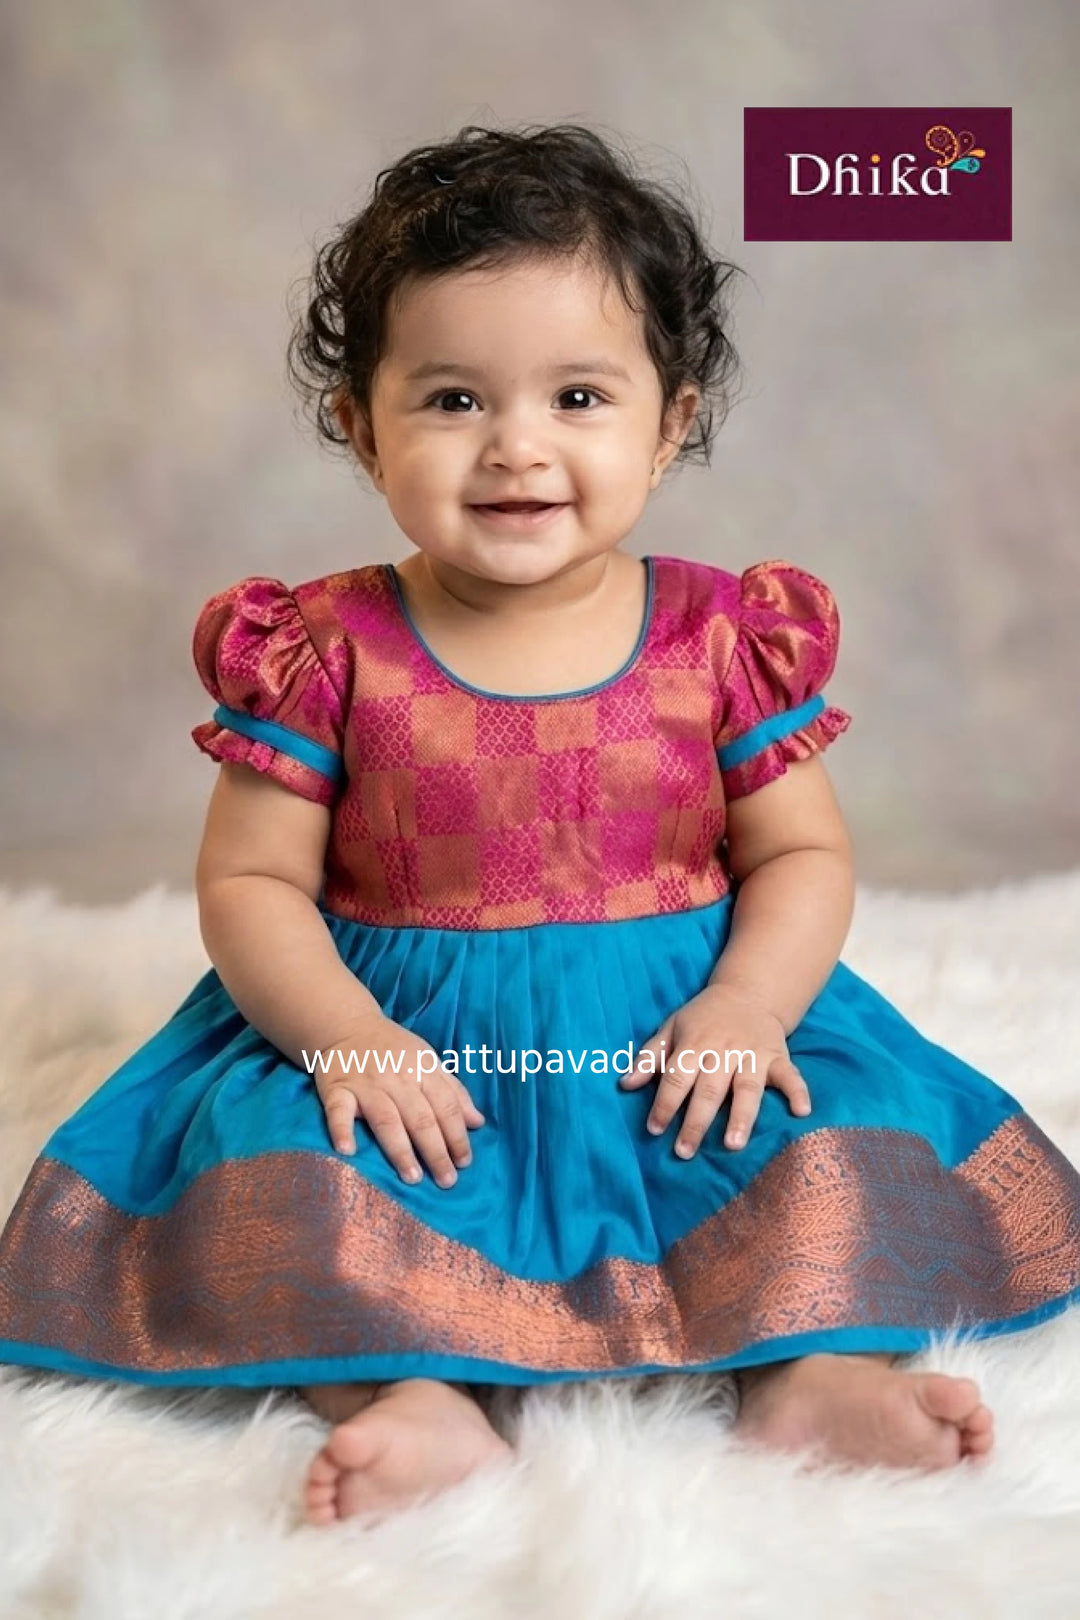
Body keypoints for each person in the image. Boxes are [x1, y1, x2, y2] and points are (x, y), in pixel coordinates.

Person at [2, 122, 1080, 1530]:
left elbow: (802, 853)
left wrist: (752, 1005)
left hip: (672, 1033)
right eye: (452, 399)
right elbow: (253, 881)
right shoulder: (323, 648)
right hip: (405, 1043)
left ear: (671, 419)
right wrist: (348, 1040)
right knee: (279, 1177)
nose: (517, 447)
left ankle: (811, 1367)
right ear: (359, 422)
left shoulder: (715, 636)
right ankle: (408, 1393)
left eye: (579, 396)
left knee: (835, 1139)